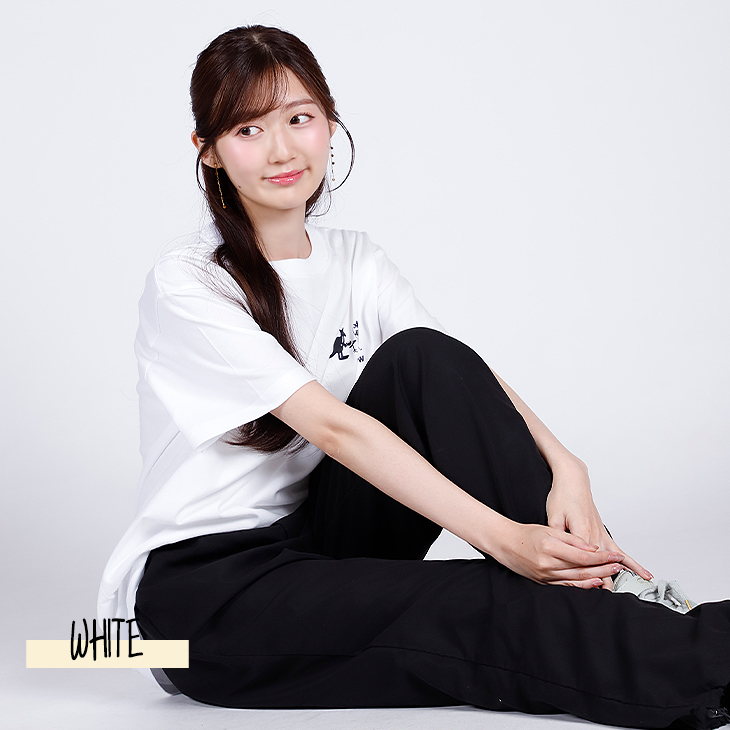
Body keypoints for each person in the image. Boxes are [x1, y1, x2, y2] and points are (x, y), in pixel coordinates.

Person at [98, 24, 730, 728]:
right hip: (209, 603)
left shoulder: (356, 260)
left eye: (299, 119)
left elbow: (457, 378)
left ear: (329, 123)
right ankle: (697, 657)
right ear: (208, 149)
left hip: (319, 540)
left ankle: (610, 586)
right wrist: (505, 540)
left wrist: (566, 464)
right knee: (485, 601)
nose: (281, 150)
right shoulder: (189, 282)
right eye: (248, 130)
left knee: (424, 356)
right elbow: (336, 431)